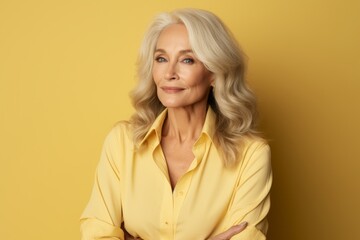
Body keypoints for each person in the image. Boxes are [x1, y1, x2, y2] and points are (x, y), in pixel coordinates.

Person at [80, 8, 272, 240]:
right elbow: (96, 234)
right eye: (161, 58)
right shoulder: (121, 142)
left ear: (214, 73)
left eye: (187, 60)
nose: (169, 73)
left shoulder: (251, 155)